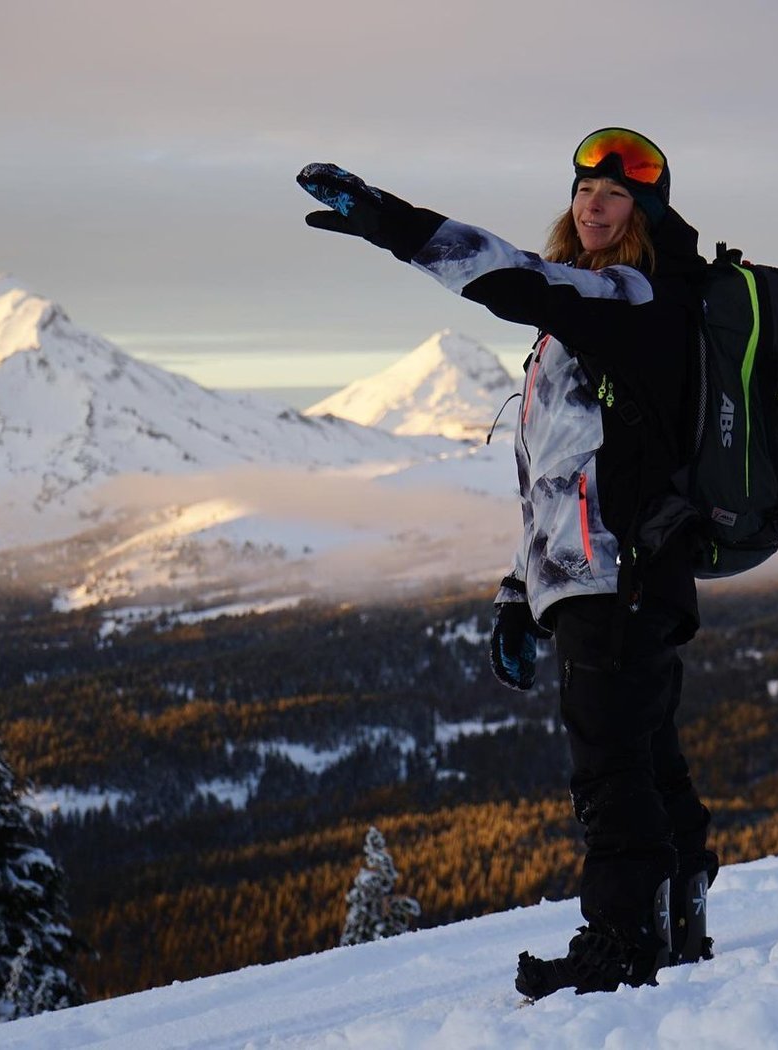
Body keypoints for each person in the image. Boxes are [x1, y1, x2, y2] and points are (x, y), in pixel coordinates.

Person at [297, 127, 719, 998]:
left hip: (621, 577)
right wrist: (520, 594)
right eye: (582, 192)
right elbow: (560, 474)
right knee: (645, 754)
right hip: (608, 577)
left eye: (616, 196)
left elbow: (513, 278)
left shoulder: (633, 298)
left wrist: (393, 224)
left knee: (608, 765)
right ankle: (678, 916)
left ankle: (621, 940)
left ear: (645, 217)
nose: (593, 204)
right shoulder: (588, 322)